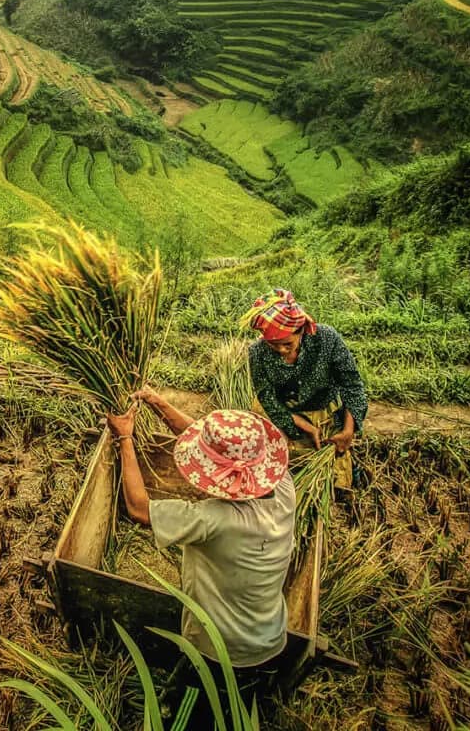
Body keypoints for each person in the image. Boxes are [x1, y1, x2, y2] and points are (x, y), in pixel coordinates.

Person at [106, 389, 296, 679]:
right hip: (270, 639)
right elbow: (206, 442)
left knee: (184, 715)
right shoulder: (283, 485)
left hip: (221, 652)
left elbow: (139, 509)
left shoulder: (217, 519)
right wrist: (158, 403)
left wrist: (125, 438)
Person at [245, 289, 368, 490]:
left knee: (336, 478)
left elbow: (352, 385)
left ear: (300, 331)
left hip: (323, 412)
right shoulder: (257, 352)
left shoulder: (327, 339)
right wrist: (301, 424)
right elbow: (266, 396)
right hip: (283, 412)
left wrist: (348, 431)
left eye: (287, 344)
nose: (281, 351)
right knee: (272, 465)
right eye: (273, 345)